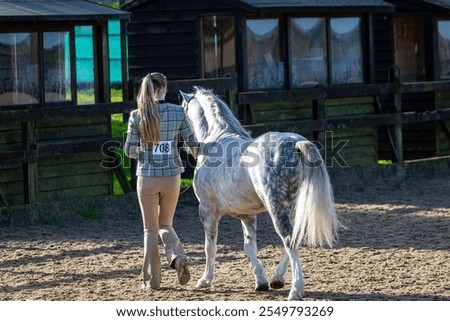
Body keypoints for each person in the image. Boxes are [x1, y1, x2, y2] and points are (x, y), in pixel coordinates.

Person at [124, 72, 197, 290]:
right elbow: (193, 143)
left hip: (147, 177)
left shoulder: (137, 115)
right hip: (172, 176)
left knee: (150, 230)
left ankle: (152, 281)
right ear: (164, 88)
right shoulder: (178, 112)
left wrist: (144, 150)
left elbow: (129, 150)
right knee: (166, 224)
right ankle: (177, 257)